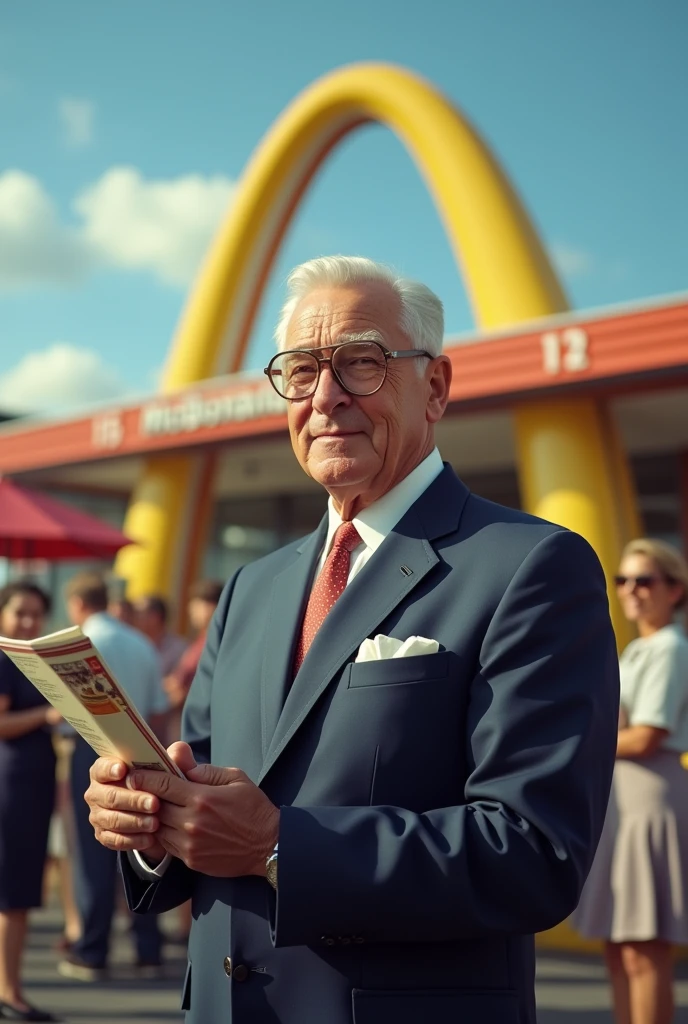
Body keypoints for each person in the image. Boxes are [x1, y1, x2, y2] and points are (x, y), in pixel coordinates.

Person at [84, 256, 620, 1024]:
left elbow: (534, 853)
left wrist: (279, 848)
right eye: (300, 371)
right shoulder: (251, 587)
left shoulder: (532, 566)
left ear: (435, 388)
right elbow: (203, 777)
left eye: (361, 364)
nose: (327, 397)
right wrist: (150, 823)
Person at [574, 538, 688, 1024]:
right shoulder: (641, 648)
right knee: (620, 948)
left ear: (675, 589)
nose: (632, 590)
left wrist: (577, 743)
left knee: (643, 951)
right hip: (623, 802)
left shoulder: (670, 646)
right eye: (623, 579)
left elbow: (646, 736)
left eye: (645, 580)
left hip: (649, 800)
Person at [57, 572, 169, 982]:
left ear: (77, 605)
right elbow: (158, 709)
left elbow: (65, 715)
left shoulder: (77, 644)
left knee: (93, 860)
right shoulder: (141, 643)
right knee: (142, 851)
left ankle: (93, 951)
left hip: (92, 750)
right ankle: (148, 951)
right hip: (142, 750)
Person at [0, 580, 60, 1022]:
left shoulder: (31, 660)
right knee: (13, 895)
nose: (27, 621)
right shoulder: (6, 660)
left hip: (30, 786)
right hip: (12, 787)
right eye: (19, 612)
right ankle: (11, 992)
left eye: (36, 614)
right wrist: (47, 713)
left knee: (17, 893)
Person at [133, 595, 188, 677]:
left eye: (140, 613)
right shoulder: (133, 645)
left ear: (155, 617)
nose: (135, 618)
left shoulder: (179, 649)